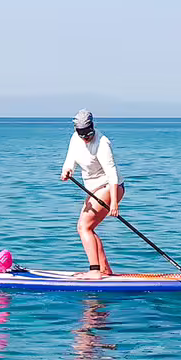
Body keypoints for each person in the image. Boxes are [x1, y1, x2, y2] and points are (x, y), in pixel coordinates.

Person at [59, 109, 124, 279]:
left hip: (110, 187)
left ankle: (95, 270)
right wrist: (67, 171)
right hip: (93, 189)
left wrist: (115, 204)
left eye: (88, 134)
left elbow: (112, 174)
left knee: (83, 227)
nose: (86, 138)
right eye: (82, 135)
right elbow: (70, 159)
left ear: (93, 127)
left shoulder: (103, 143)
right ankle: (104, 270)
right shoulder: (75, 139)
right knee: (89, 228)